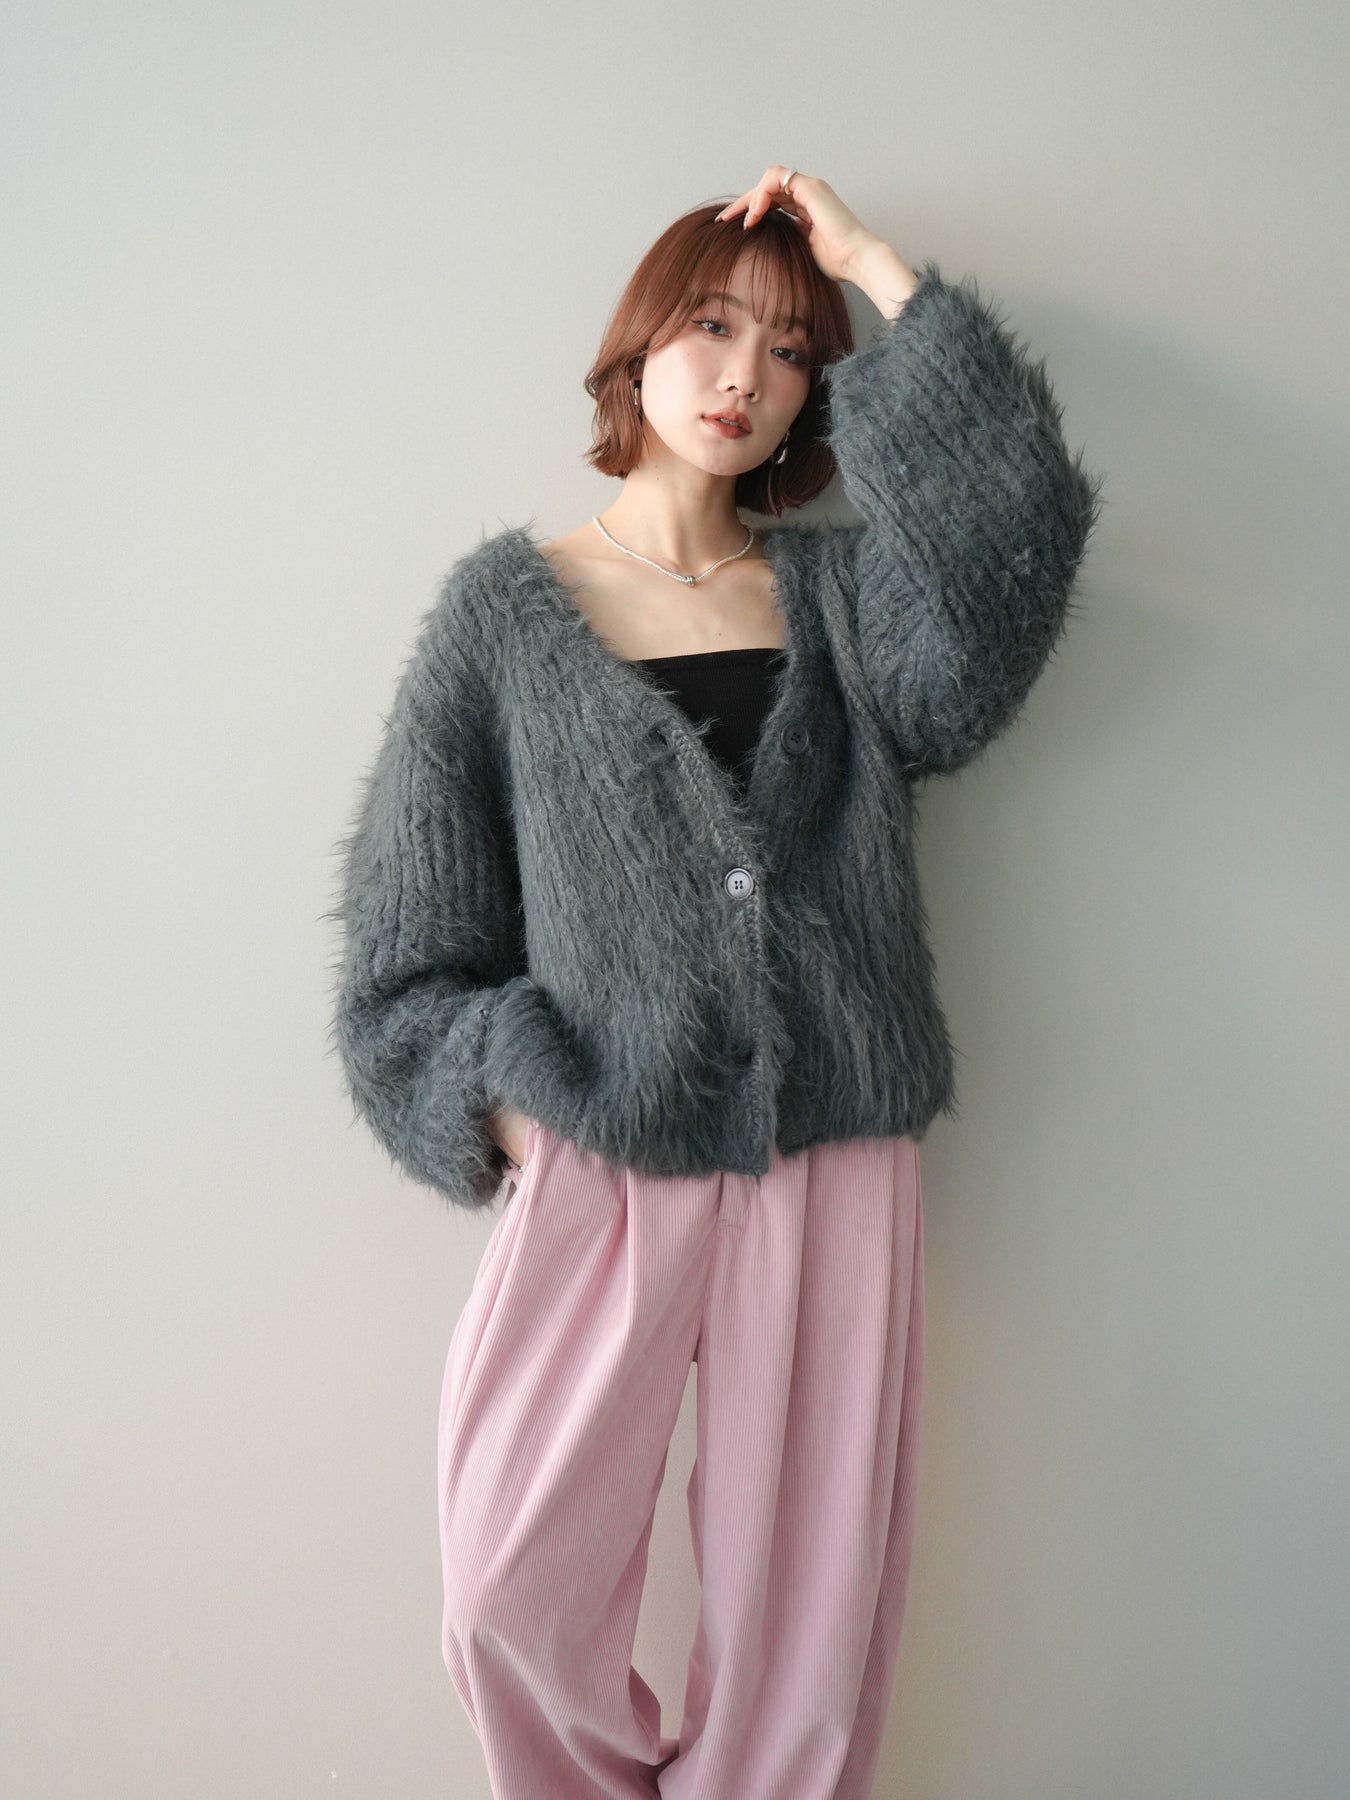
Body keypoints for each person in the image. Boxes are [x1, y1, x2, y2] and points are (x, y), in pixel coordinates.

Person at [329, 165, 1104, 1799]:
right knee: (503, 1600)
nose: (744, 374)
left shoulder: (848, 607)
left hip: (831, 1147)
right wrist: (512, 1106)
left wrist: (875, 270)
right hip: (601, 1144)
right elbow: (408, 951)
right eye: (709, 327)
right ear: (638, 345)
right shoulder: (502, 620)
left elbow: (1014, 548)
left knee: (804, 1654)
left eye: (789, 349)